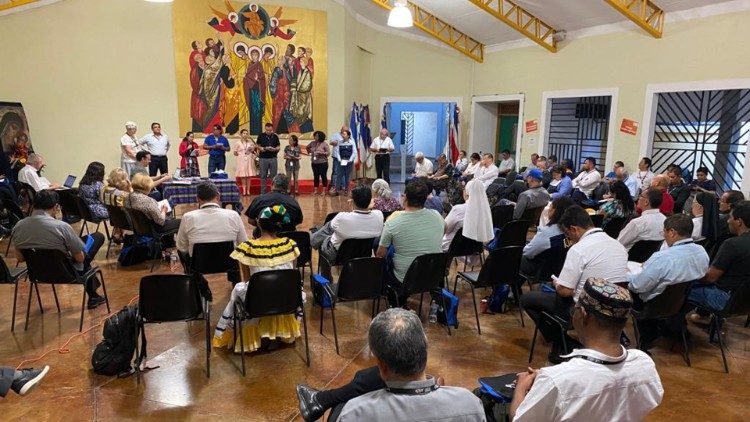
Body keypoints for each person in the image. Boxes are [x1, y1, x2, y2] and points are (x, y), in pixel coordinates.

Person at [511, 279, 663, 421]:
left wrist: (521, 387)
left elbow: (519, 418)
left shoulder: (557, 380)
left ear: (583, 315)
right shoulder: (644, 363)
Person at [295, 308, 485, 422]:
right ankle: (320, 400)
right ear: (425, 347)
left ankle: (321, 400)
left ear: (381, 367)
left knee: (358, 386)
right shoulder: (470, 403)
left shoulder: (354, 413)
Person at [520, 205, 628, 360]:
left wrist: (557, 284)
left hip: (584, 312)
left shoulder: (579, 249)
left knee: (527, 299)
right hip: (614, 310)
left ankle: (565, 343)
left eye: (568, 234)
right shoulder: (618, 245)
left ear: (574, 229)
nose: (568, 239)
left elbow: (565, 291)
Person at [212, 205, 301, 352]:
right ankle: (279, 332)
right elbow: (292, 273)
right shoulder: (290, 245)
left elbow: (248, 281)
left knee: (239, 290)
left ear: (258, 223)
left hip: (258, 301)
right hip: (287, 299)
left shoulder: (247, 248)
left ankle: (254, 336)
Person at [13, 190, 107, 308]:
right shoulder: (62, 227)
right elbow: (80, 258)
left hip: (38, 273)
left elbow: (20, 258)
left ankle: (94, 296)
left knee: (81, 251)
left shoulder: (18, 226)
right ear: (56, 207)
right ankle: (93, 296)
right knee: (94, 242)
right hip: (66, 273)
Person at [627, 214, 709, 350]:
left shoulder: (663, 257)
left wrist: (627, 274)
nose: (663, 236)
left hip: (652, 306)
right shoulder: (702, 252)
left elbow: (638, 286)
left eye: (663, 232)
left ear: (672, 232)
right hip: (682, 304)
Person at [376, 180, 444, 302]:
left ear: (405, 197)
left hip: (404, 279)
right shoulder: (437, 216)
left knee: (384, 262)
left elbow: (380, 254)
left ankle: (393, 300)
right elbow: (445, 229)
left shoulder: (392, 222)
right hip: (432, 276)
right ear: (426, 198)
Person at [689, 201, 750, 316]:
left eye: (730, 217)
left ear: (739, 222)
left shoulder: (732, 244)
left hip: (724, 299)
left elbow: (710, 278)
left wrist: (688, 274)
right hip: (744, 302)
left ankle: (673, 328)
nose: (727, 221)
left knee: (678, 289)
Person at [312, 185, 383, 278]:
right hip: (365, 254)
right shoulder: (379, 215)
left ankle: (326, 280)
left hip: (338, 256)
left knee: (323, 236)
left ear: (352, 201)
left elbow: (328, 229)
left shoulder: (341, 217)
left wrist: (352, 209)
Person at [176, 182, 247, 272]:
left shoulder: (188, 217)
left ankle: (192, 280)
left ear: (198, 199)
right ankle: (235, 280)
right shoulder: (233, 215)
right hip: (229, 264)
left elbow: (181, 246)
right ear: (218, 196)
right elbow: (244, 243)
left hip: (198, 265)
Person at [521, 197, 575, 275]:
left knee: (511, 255)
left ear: (555, 211)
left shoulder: (548, 233)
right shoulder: (573, 231)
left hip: (541, 271)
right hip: (559, 270)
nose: (548, 209)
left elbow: (527, 253)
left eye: (551, 207)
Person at [125, 173, 181, 247]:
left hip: (139, 227)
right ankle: (172, 246)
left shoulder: (128, 197)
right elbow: (161, 221)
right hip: (153, 229)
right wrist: (163, 210)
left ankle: (168, 244)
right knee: (181, 221)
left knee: (170, 218)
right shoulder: (148, 201)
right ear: (147, 186)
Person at [441, 178, 493, 251]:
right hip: (474, 250)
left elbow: (445, 229)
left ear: (467, 193)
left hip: (452, 247)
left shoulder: (458, 209)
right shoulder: (486, 211)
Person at [256, 122, 281, 194]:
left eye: (270, 130)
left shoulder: (275, 136)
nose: (269, 132)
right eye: (267, 130)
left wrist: (275, 149)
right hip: (263, 158)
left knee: (273, 175)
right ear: (265, 129)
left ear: (272, 129)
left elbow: (278, 146)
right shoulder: (261, 136)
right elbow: (257, 145)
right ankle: (263, 192)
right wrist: (262, 148)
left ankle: (274, 192)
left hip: (273, 157)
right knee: (263, 175)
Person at [306, 130, 330, 195]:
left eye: (317, 136)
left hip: (323, 163)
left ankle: (324, 191)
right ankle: (315, 191)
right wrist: (310, 152)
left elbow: (328, 153)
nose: (315, 137)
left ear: (320, 136)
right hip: (314, 163)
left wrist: (321, 153)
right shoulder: (312, 143)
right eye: (315, 135)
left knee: (323, 176)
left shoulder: (324, 144)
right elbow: (307, 148)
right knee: (316, 176)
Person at [234, 129, 256, 196]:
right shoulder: (238, 143)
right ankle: (244, 190)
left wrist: (251, 149)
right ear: (241, 134)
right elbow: (235, 153)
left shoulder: (250, 142)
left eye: (246, 133)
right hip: (241, 160)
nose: (245, 135)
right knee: (243, 176)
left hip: (249, 159)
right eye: (244, 133)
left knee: (248, 176)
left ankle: (248, 191)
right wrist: (237, 153)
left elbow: (253, 150)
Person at [334, 130, 357, 196]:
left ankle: (346, 190)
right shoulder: (340, 142)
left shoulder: (352, 142)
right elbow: (337, 152)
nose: (342, 135)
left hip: (349, 161)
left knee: (347, 176)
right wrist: (339, 159)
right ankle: (337, 190)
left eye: (344, 134)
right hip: (341, 161)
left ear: (348, 135)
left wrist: (350, 160)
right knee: (339, 176)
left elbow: (354, 152)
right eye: (342, 134)